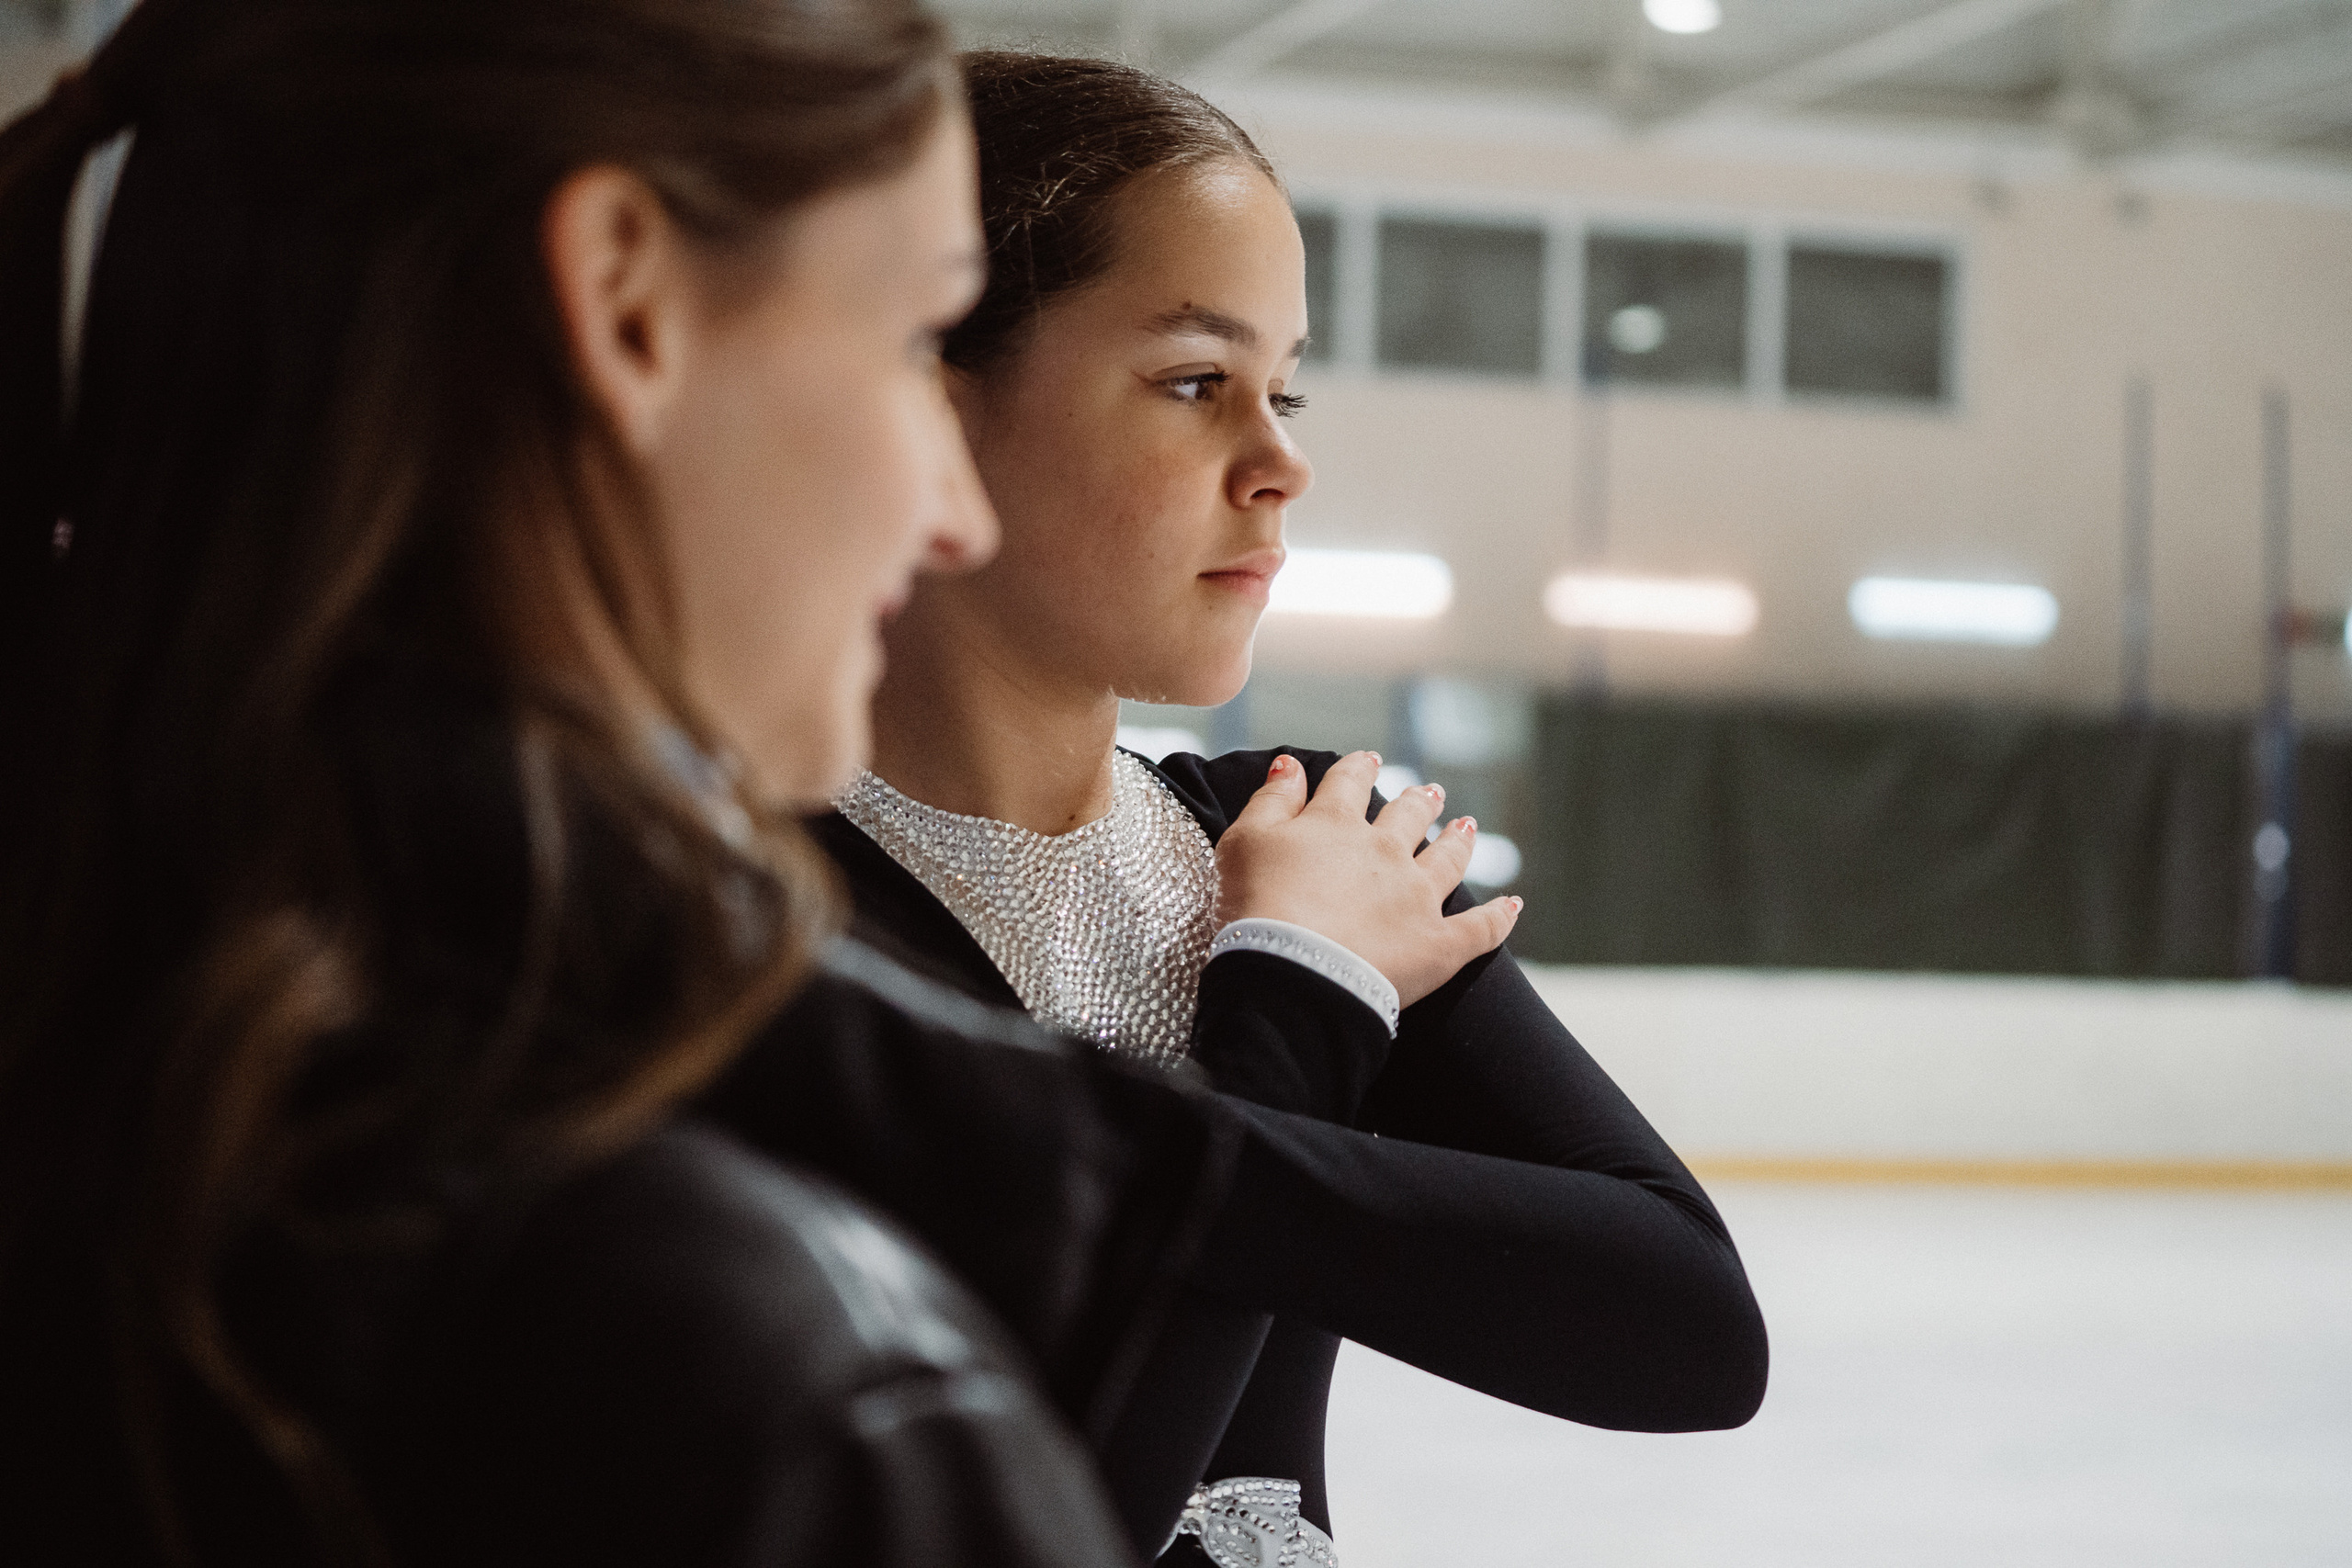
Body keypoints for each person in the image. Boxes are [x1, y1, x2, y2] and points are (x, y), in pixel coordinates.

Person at [0, 2, 1236, 1562]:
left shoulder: (106, 1071)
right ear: (625, 300)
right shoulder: (777, 1392)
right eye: (918, 341)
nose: (952, 515)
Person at [819, 51, 1771, 1564]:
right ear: (936, 415)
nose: (1282, 462)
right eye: (1198, 383)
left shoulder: (1296, 843)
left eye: (1288, 386)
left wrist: (1295, 972)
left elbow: (1687, 1333)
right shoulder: (755, 925)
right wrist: (1300, 1006)